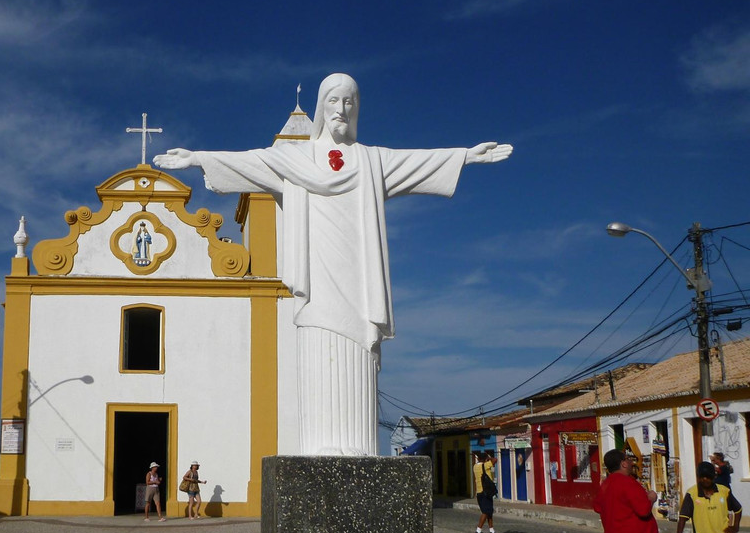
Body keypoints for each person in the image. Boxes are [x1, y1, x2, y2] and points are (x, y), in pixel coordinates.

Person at [154, 73, 511, 457]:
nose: (341, 109)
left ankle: (358, 446)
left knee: (357, 348)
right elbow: (248, 161)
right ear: (322, 107)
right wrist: (198, 159)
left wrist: (465, 156)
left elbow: (417, 163)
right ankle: (319, 445)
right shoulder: (292, 159)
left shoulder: (371, 160)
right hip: (316, 275)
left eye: (349, 102)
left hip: (358, 277)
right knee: (317, 341)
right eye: (334, 101)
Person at [473, 452, 499, 533]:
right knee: (485, 512)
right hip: (485, 492)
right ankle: (478, 530)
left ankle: (492, 530)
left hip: (479, 492)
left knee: (489, 511)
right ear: (485, 459)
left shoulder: (475, 466)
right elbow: (495, 460)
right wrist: (489, 457)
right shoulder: (485, 465)